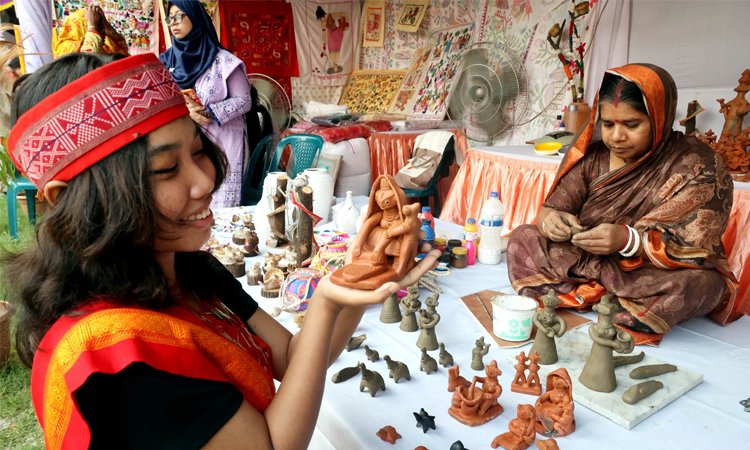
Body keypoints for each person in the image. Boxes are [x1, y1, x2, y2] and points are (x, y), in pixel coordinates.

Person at [4, 52, 439, 449]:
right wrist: (324, 300)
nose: (204, 182)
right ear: (68, 199)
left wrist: (361, 274)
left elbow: (294, 358)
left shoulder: (191, 270)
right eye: (166, 169)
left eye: (199, 151)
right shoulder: (116, 356)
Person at [507, 63, 737, 340]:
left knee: (702, 285)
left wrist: (629, 241)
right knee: (524, 237)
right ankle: (601, 297)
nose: (616, 137)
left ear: (660, 118)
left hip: (646, 272)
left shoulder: (696, 164)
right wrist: (551, 222)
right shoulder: (594, 156)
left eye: (631, 124)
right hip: (588, 260)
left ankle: (594, 298)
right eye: (608, 124)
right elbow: (551, 210)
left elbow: (698, 249)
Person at [160, 0, 251, 208]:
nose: (174, 23)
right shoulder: (166, 61)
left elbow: (244, 100)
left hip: (223, 141)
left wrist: (209, 113)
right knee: (189, 198)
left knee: (218, 200)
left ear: (196, 17)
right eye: (170, 18)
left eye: (179, 16)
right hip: (185, 141)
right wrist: (185, 112)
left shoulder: (223, 61)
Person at [53, 5, 129, 57]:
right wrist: (92, 26)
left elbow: (123, 54)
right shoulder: (64, 48)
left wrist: (107, 25)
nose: (100, 33)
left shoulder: (104, 41)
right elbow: (90, 58)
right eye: (97, 27)